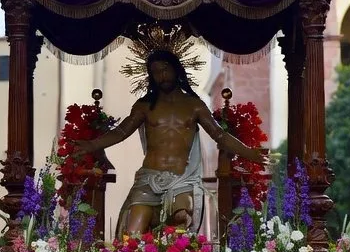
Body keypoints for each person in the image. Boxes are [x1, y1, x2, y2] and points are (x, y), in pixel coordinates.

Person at [78, 49, 267, 235]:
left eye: (165, 69)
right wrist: (92, 145)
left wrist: (250, 153)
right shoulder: (144, 106)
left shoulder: (194, 105)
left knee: (181, 218)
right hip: (149, 179)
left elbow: (219, 135)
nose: (162, 75)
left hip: (182, 180)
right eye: (156, 72)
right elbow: (121, 132)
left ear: (176, 69)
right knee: (132, 233)